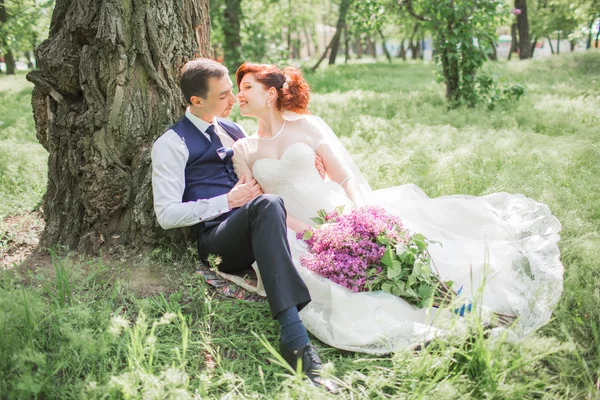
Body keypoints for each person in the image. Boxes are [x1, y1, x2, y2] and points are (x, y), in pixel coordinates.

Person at [231, 62, 564, 354]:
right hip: (297, 233)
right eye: (238, 89)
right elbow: (260, 204)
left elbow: (344, 176)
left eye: (247, 87)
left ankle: (464, 307)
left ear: (272, 93)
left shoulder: (307, 126)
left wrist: (363, 215)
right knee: (355, 282)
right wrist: (312, 232)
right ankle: (449, 315)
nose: (240, 95)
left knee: (403, 261)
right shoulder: (243, 148)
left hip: (344, 215)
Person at [151, 58, 338, 392]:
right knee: (264, 205)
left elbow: (269, 163)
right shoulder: (171, 144)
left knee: (268, 204)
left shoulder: (233, 131)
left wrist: (310, 161)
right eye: (223, 95)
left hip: (257, 222)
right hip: (217, 241)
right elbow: (165, 215)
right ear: (196, 101)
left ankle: (295, 334)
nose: (232, 100)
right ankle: (294, 338)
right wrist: (227, 202)